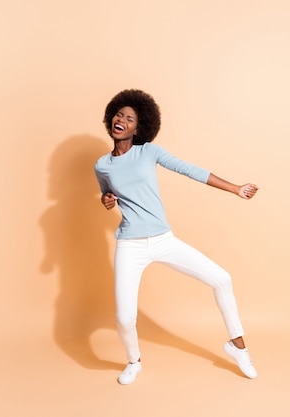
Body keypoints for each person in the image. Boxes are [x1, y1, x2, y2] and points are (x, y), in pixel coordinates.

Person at [94, 89, 258, 385]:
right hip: (130, 244)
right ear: (111, 119)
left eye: (130, 118)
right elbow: (107, 194)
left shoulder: (149, 152)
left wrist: (235, 188)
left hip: (162, 239)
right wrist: (106, 200)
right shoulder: (102, 165)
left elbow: (189, 170)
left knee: (222, 279)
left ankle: (237, 346)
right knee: (124, 319)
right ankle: (134, 361)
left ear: (139, 127)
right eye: (119, 115)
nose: (122, 120)